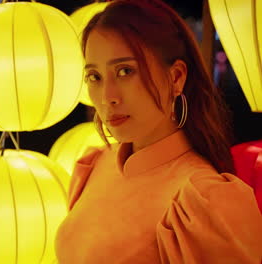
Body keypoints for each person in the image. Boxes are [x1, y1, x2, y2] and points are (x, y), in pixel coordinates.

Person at [55, 0, 262, 263]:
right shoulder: (95, 165)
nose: (108, 97)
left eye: (125, 71)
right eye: (95, 77)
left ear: (176, 77)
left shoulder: (204, 200)